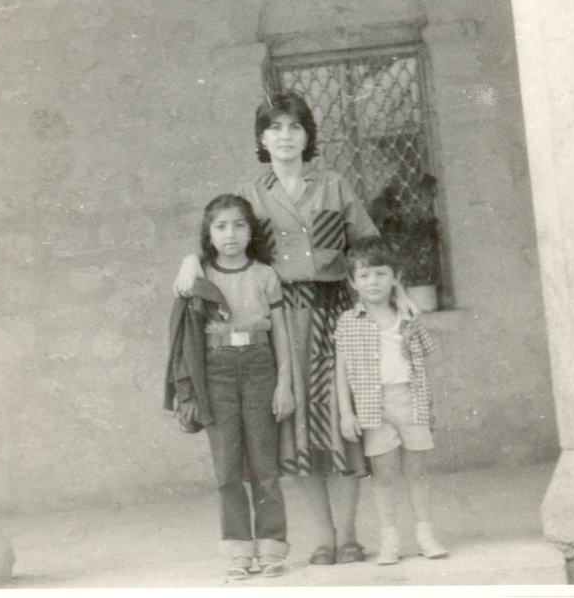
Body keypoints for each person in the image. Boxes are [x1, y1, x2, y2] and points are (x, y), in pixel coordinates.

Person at [174, 91, 415, 566]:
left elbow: (369, 247)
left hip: (334, 313)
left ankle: (348, 536)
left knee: (340, 424)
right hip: (283, 321)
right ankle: (322, 538)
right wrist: (189, 260)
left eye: (295, 128)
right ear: (262, 138)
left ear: (308, 136)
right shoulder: (250, 193)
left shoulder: (334, 184)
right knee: (296, 427)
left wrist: (399, 291)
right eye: (275, 128)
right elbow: (220, 244)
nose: (285, 137)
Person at [169, 194, 295, 580]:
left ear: (250, 231)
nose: (231, 234)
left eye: (239, 225)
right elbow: (183, 335)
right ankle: (238, 551)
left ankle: (272, 546)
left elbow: (281, 335)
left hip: (260, 366)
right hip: (217, 370)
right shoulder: (198, 277)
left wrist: (284, 384)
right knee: (227, 467)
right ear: (208, 234)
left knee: (263, 463)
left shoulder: (265, 275)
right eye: (221, 226)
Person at [334, 236, 448, 564]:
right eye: (365, 275)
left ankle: (425, 535)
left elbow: (424, 362)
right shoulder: (348, 323)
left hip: (410, 401)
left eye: (381, 274)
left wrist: (429, 404)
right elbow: (340, 371)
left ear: (394, 277)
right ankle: (390, 539)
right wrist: (345, 413)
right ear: (352, 282)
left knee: (417, 471)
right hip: (373, 409)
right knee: (383, 475)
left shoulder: (408, 317)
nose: (373, 282)